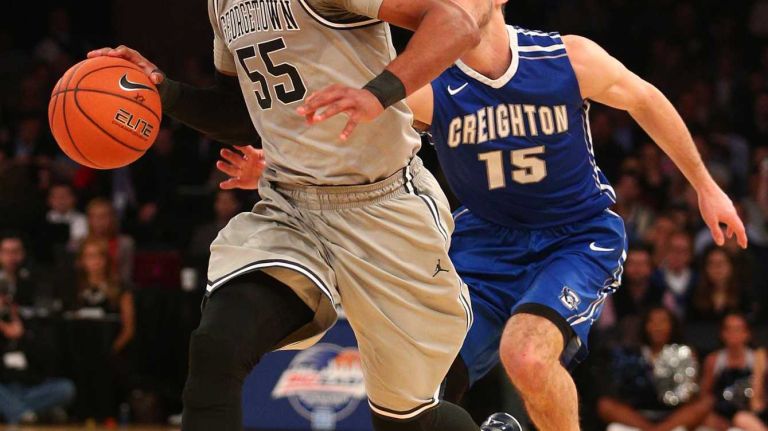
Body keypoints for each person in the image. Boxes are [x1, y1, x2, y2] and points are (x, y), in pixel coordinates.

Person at [218, 0, 747, 428]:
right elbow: (345, 142)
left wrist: (706, 187)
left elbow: (646, 99)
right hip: (486, 240)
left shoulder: (566, 58)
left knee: (527, 355)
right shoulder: (425, 88)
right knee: (420, 385)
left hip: (575, 237)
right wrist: (271, 167)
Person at [88, 0, 515, 429]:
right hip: (292, 207)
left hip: (383, 206)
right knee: (217, 345)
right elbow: (239, 112)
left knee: (406, 419)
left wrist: (376, 93)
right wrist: (162, 91)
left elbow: (456, 23)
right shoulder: (221, 5)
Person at [597, 307, 712, 431]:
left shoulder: (685, 353)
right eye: (652, 322)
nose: (658, 327)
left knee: (706, 402)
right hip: (637, 414)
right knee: (605, 404)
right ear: (645, 326)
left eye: (663, 322)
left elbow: (689, 395)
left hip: (674, 415)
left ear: (672, 325)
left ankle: (661, 429)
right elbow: (621, 390)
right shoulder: (630, 355)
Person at [0, 282, 75, 425]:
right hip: (5, 388)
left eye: (6, 301)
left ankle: (18, 412)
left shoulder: (30, 327)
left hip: (30, 388)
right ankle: (25, 413)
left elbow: (46, 361)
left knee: (66, 388)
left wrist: (23, 337)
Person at [700, 313, 757, 431]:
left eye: (737, 329)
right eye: (728, 329)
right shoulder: (713, 360)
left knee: (742, 420)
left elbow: (760, 398)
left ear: (747, 334)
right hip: (720, 416)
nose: (733, 334)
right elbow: (705, 395)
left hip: (748, 415)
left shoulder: (757, 360)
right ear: (722, 334)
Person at [83, 198, 135, 285]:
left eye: (103, 217)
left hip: (116, 288)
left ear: (112, 218)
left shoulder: (125, 243)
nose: (97, 221)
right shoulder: (81, 243)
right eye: (93, 216)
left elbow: (126, 277)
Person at [689, 247, 747, 323]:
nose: (717, 268)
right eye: (712, 263)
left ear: (731, 266)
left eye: (721, 263)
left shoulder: (744, 295)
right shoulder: (694, 295)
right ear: (705, 268)